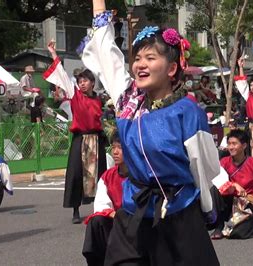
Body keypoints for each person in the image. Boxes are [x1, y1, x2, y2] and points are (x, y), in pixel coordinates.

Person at [81, 1, 220, 264]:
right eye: (137, 58)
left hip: (178, 215)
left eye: (150, 58)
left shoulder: (187, 111)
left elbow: (202, 167)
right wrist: (98, 5)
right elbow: (105, 51)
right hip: (135, 213)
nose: (140, 65)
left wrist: (207, 209)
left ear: (171, 68)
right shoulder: (128, 103)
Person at [44, 40, 107, 224]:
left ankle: (101, 206)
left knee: (99, 175)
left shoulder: (99, 99)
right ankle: (76, 210)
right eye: (79, 81)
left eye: (85, 80)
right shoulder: (74, 95)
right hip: (80, 140)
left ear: (93, 82)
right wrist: (53, 54)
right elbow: (62, 75)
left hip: (96, 140)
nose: (82, 84)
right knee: (76, 174)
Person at [210, 129, 253, 239]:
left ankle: (248, 221)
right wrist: (234, 185)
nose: (230, 147)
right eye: (229, 144)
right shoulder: (224, 162)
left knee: (239, 233)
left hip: (249, 201)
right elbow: (219, 181)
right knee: (214, 189)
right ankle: (219, 226)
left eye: (234, 144)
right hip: (231, 198)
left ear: (244, 146)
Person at [82, 133, 127, 265]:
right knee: (96, 222)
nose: (115, 152)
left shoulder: (141, 174)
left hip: (136, 223)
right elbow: (101, 205)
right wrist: (115, 215)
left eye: (120, 147)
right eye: (113, 147)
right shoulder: (108, 176)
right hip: (117, 221)